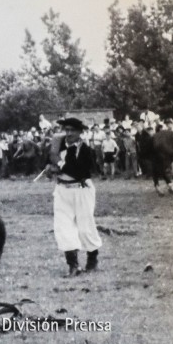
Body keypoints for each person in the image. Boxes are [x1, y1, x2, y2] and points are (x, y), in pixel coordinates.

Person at [47, 117, 102, 277]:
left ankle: (92, 261)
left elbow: (82, 172)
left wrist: (60, 164)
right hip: (62, 189)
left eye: (73, 130)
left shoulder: (85, 149)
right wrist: (51, 168)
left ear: (79, 132)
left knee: (85, 227)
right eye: (67, 130)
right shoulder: (57, 146)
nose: (69, 133)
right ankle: (73, 265)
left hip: (81, 190)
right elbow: (48, 164)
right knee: (63, 226)